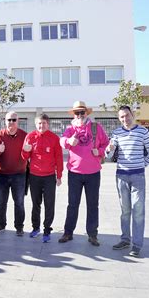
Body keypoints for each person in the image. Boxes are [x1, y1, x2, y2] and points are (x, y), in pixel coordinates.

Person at [59, 101, 109, 246]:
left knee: (93, 204)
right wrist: (69, 141)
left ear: (87, 113)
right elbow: (62, 141)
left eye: (82, 112)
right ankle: (68, 233)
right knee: (72, 204)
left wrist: (99, 151)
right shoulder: (70, 128)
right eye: (77, 113)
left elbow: (106, 144)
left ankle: (92, 234)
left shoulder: (96, 127)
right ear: (74, 115)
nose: (80, 115)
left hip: (93, 173)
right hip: (74, 172)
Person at [108, 106, 149, 257]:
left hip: (137, 177)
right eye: (121, 117)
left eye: (127, 115)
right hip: (121, 176)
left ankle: (137, 245)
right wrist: (108, 150)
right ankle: (125, 239)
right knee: (125, 211)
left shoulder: (142, 131)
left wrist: (143, 165)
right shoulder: (116, 133)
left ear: (132, 114)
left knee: (138, 211)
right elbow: (108, 156)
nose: (125, 119)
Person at [22, 114, 63, 243]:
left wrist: (59, 176)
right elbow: (24, 157)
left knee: (49, 204)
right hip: (34, 176)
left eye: (44, 123)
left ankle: (47, 229)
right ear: (36, 124)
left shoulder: (54, 138)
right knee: (36, 204)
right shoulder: (30, 137)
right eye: (39, 123)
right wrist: (25, 151)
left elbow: (59, 159)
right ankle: (36, 228)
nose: (41, 125)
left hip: (49, 176)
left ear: (48, 124)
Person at [0, 111, 27, 236]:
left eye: (14, 120)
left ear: (18, 121)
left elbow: (29, 153)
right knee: (2, 201)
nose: (11, 122)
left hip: (19, 174)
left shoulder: (24, 135)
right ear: (5, 121)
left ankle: (19, 227)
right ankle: (1, 224)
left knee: (19, 202)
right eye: (9, 120)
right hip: (2, 174)